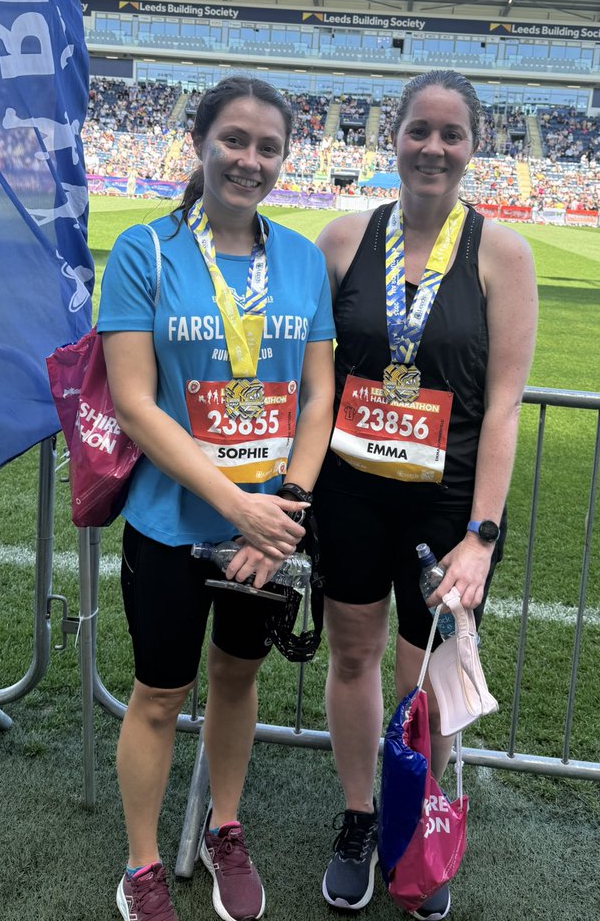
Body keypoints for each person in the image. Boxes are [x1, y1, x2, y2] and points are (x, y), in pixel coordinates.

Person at [98, 75, 336, 921]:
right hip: (173, 525)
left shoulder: (302, 260)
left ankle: (223, 828)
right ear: (200, 143)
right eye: (234, 140)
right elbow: (134, 402)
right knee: (159, 693)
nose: (250, 160)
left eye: (268, 147)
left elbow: (317, 397)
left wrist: (284, 512)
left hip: (266, 533)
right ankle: (142, 865)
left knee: (236, 682)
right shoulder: (144, 251)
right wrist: (237, 506)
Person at [313, 70, 538, 920]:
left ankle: (415, 823)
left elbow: (507, 401)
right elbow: (311, 379)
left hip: (449, 507)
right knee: (352, 657)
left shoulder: (501, 254)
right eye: (419, 130)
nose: (434, 147)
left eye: (452, 134)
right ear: (394, 138)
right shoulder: (342, 240)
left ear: (474, 147)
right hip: (353, 493)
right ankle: (362, 817)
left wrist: (482, 533)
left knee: (429, 677)